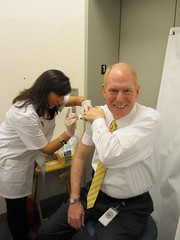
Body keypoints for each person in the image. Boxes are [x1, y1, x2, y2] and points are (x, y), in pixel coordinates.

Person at [38, 63, 162, 240]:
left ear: (137, 90)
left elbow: (110, 155)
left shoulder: (150, 120)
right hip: (95, 193)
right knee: (46, 232)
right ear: (104, 90)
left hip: (131, 204)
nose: (120, 99)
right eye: (113, 91)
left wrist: (98, 121)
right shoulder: (99, 114)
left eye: (127, 90)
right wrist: (74, 199)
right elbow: (80, 156)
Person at [0, 69, 91, 240]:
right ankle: (21, 236)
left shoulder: (50, 98)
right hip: (11, 162)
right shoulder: (24, 113)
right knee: (15, 208)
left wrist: (84, 101)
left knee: (23, 202)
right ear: (45, 89)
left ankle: (27, 231)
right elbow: (47, 149)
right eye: (58, 97)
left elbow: (74, 99)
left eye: (61, 97)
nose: (60, 102)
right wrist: (68, 133)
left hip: (26, 158)